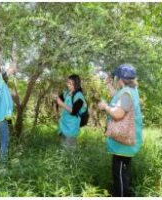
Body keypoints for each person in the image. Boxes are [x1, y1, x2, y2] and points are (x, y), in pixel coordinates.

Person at [98, 64, 143, 197]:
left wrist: (105, 107)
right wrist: (108, 85)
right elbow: (117, 97)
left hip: (123, 143)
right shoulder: (130, 90)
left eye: (117, 78)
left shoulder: (127, 93)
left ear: (121, 79)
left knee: (120, 177)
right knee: (122, 174)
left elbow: (118, 113)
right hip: (125, 142)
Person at [54, 74, 87, 150]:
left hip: (72, 126)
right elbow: (58, 100)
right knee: (63, 147)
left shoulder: (79, 96)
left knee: (70, 149)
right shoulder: (66, 93)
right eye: (67, 82)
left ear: (76, 84)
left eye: (70, 83)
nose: (68, 85)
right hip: (64, 124)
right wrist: (56, 98)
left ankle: (71, 161)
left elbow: (74, 112)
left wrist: (62, 104)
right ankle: (64, 161)